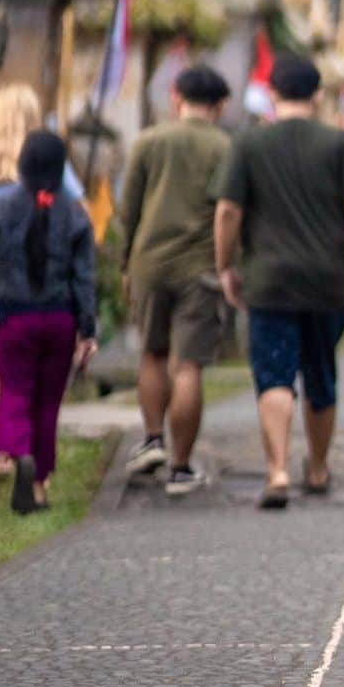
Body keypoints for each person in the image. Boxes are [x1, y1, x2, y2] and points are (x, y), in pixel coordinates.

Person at [213, 55, 344, 509]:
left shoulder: (249, 144)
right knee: (321, 374)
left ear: (273, 93)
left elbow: (227, 211)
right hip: (326, 281)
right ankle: (317, 467)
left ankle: (277, 470)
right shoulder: (338, 143)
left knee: (274, 376)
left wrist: (226, 264)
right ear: (318, 95)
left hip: (268, 279)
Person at [119, 64, 232, 496]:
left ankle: (152, 439)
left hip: (149, 262)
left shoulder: (149, 141)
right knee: (188, 365)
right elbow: (231, 209)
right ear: (220, 105)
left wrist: (127, 261)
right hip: (199, 266)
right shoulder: (225, 147)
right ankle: (181, 467)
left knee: (152, 352)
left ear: (175, 96)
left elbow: (128, 209)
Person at [0, 131, 97, 514]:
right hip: (59, 320)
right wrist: (87, 330)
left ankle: (19, 451)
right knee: (48, 404)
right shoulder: (75, 213)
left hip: (13, 319)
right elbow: (84, 278)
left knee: (16, 391)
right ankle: (38, 487)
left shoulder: (2, 207)